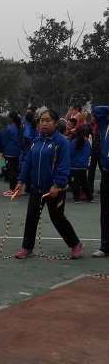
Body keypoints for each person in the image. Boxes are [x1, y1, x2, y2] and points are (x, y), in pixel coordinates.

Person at [14, 109, 83, 260]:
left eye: (47, 120)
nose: (44, 123)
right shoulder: (36, 141)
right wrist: (20, 180)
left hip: (54, 189)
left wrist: (56, 185)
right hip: (36, 188)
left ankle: (75, 243)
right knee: (31, 216)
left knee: (57, 218)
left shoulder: (61, 142)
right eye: (41, 120)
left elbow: (63, 166)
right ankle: (27, 247)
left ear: (55, 122)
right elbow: (28, 163)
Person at [91, 105, 109, 257]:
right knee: (106, 211)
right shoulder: (105, 124)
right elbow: (97, 110)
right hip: (107, 174)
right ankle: (106, 246)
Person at [1, 111, 23, 196]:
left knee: (11, 171)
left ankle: (12, 189)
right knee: (15, 170)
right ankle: (16, 188)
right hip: (17, 152)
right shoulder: (19, 128)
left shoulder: (9, 128)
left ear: (11, 118)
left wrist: (2, 150)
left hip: (9, 153)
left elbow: (4, 140)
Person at [69, 125, 92, 203]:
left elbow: (70, 153)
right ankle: (90, 197)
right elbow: (90, 153)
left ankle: (76, 198)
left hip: (74, 166)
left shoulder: (74, 142)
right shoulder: (87, 142)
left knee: (75, 182)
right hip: (84, 165)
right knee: (84, 182)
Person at [88, 111, 102, 201]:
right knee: (91, 172)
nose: (94, 118)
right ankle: (89, 190)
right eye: (92, 116)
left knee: (104, 171)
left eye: (95, 116)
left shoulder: (102, 125)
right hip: (91, 152)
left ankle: (103, 189)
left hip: (101, 152)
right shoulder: (87, 126)